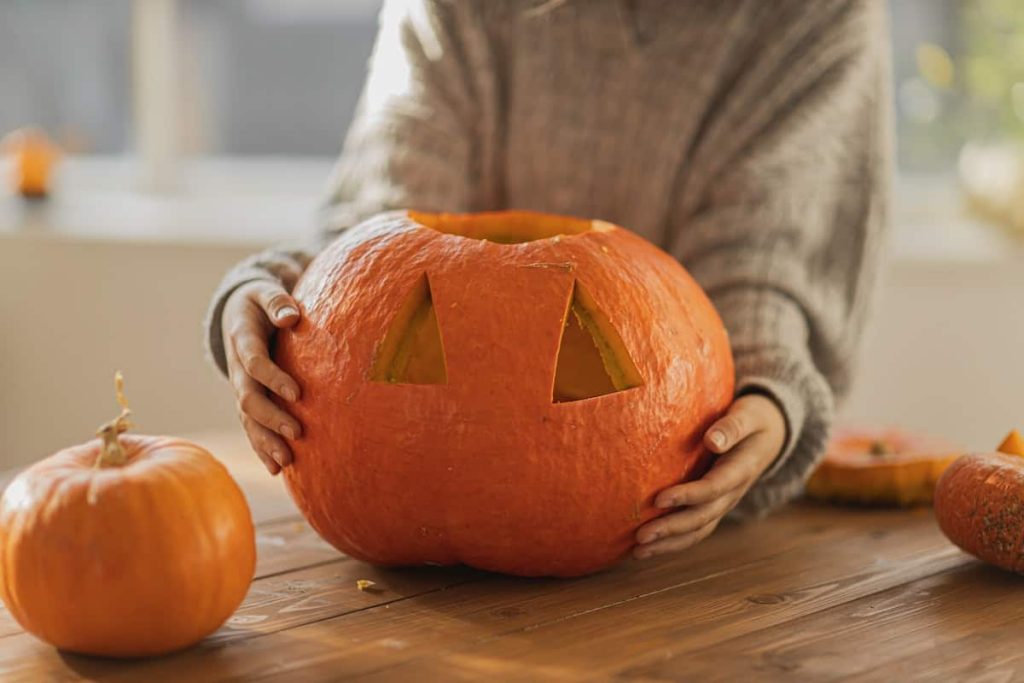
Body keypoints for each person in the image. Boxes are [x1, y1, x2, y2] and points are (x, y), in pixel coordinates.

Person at [204, 0, 891, 560]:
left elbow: (760, 274)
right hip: (388, 537)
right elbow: (374, 244)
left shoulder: (814, 17)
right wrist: (272, 300)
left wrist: (767, 401)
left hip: (667, 554)